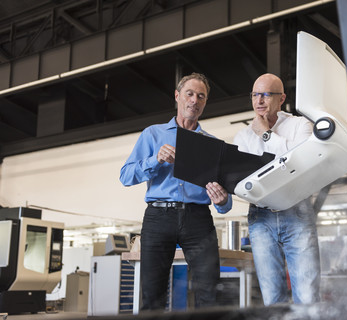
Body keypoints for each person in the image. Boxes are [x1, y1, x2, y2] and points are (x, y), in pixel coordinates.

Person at [119, 72, 232, 311]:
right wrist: (154, 160)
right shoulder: (153, 134)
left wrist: (222, 201)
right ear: (177, 96)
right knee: (152, 293)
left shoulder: (212, 145)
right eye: (190, 94)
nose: (195, 100)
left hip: (198, 219)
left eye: (201, 96)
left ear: (205, 103)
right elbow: (126, 176)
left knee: (210, 291)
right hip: (159, 217)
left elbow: (225, 203)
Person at [233, 73, 321, 305]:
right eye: (255, 95)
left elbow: (299, 164)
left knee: (308, 295)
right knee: (272, 297)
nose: (259, 100)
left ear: (281, 99)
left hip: (297, 213)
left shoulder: (300, 126)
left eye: (266, 95)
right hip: (260, 218)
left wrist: (265, 134)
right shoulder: (242, 136)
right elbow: (240, 182)